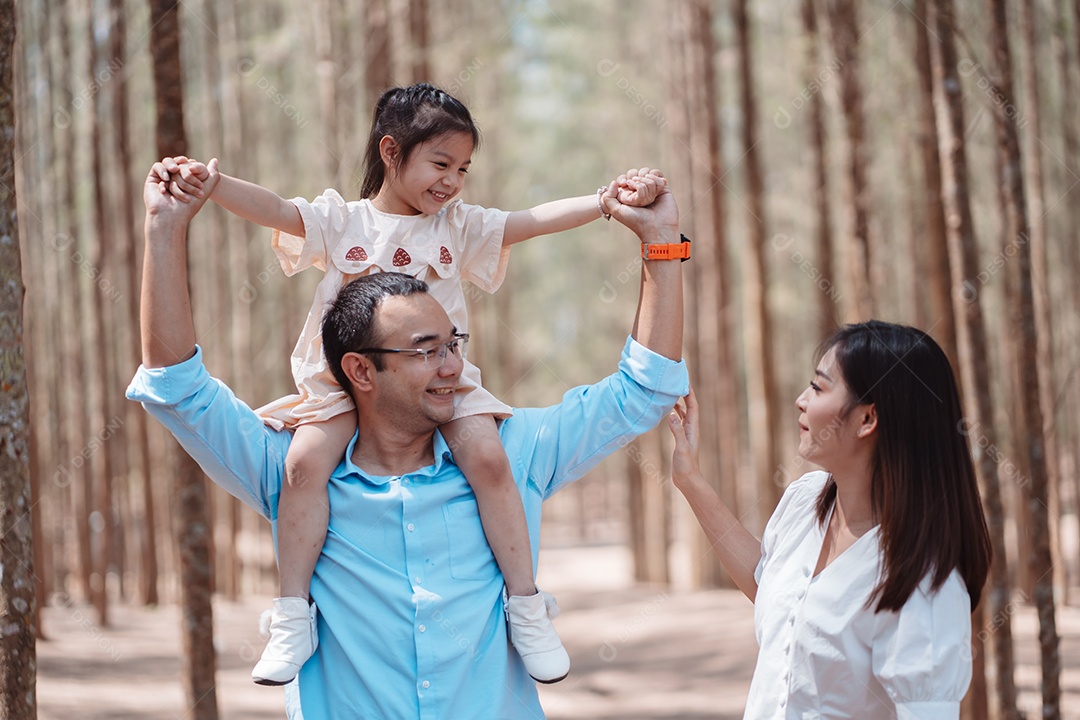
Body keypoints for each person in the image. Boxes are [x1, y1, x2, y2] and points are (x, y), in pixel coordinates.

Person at [128, 154, 688, 718]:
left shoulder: (514, 454)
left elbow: (643, 392)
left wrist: (663, 242)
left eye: (453, 344)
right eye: (425, 351)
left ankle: (530, 607)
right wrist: (165, 227)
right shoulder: (292, 471)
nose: (451, 367)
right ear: (361, 371)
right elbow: (178, 388)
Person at [667, 321, 992, 719]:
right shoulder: (805, 500)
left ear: (867, 420)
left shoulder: (922, 583)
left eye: (819, 388)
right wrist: (691, 481)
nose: (801, 400)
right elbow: (773, 588)